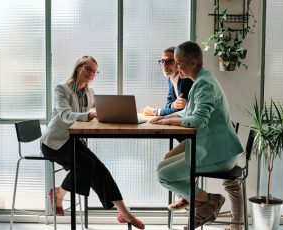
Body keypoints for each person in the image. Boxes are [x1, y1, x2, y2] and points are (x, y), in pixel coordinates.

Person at [40, 56, 145, 229]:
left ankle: (123, 212)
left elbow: (100, 109)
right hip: (54, 143)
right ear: (78, 68)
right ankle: (59, 194)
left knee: (99, 167)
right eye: (88, 68)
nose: (91, 73)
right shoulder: (62, 89)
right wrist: (88, 115)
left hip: (74, 141)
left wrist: (118, 112)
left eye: (94, 71)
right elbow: (65, 115)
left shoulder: (90, 92)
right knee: (87, 165)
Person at [149, 41, 243, 229]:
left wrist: (168, 121)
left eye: (178, 62)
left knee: (164, 176)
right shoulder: (202, 80)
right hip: (214, 148)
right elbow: (191, 112)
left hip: (218, 154)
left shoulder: (203, 84)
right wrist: (168, 116)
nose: (176, 67)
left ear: (192, 62)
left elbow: (199, 120)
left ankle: (211, 201)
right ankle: (198, 201)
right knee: (162, 166)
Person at [142, 46, 193, 116]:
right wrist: (173, 105)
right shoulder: (171, 78)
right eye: (162, 61)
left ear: (178, 63)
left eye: (169, 61)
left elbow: (182, 111)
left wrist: (155, 111)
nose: (164, 65)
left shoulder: (185, 79)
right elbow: (168, 105)